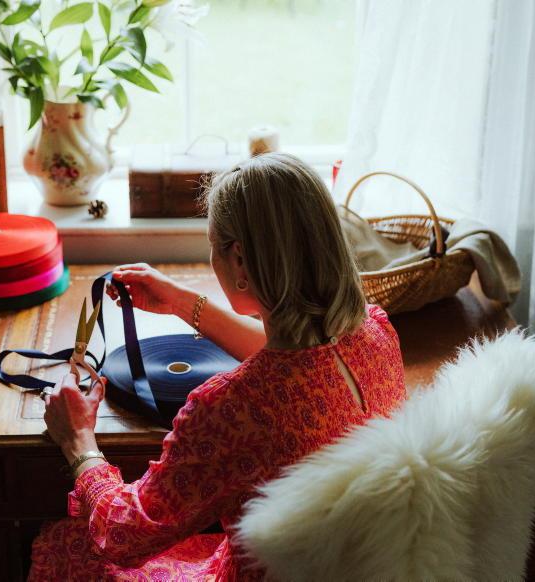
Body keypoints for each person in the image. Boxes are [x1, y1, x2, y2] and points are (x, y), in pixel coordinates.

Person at [29, 153, 406, 581]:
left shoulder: (231, 410)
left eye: (213, 244)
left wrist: (79, 441)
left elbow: (124, 535)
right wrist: (182, 303)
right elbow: (299, 362)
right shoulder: (376, 334)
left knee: (65, 545)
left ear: (240, 260)